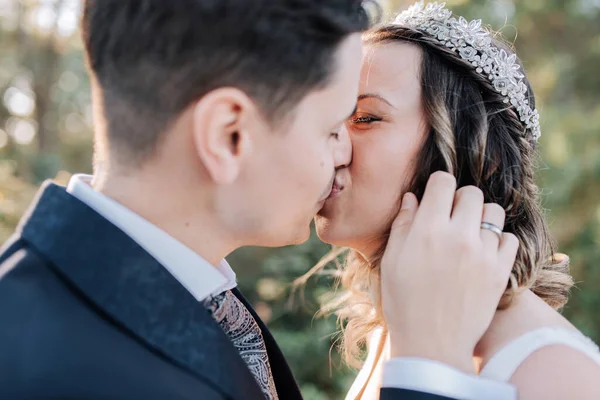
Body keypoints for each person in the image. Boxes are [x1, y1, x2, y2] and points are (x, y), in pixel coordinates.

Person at [0, 1, 518, 399]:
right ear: (230, 135)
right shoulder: (53, 368)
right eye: (331, 126)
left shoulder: (190, 298)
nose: (343, 153)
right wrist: (429, 366)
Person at [312, 2, 600, 399]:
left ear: (478, 152)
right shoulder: (402, 328)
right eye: (330, 119)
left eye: (365, 119)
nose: (333, 146)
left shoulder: (551, 372)